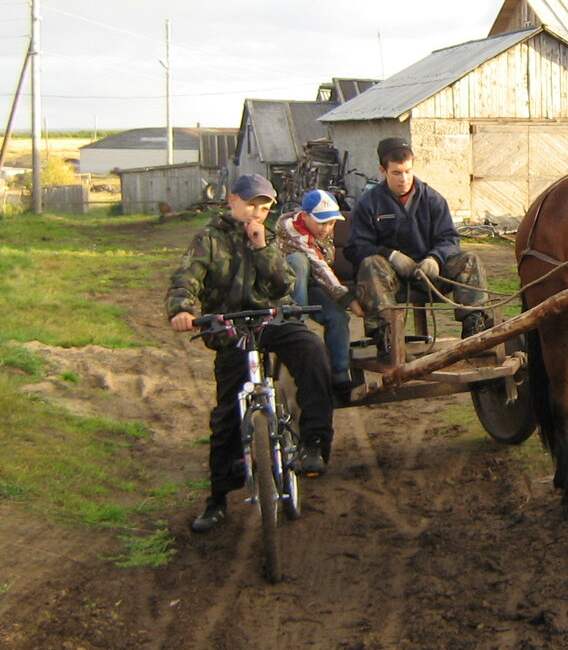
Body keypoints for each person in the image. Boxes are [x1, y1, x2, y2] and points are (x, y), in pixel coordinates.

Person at [166, 173, 334, 534]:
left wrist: (260, 248)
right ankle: (217, 499)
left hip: (269, 320)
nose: (257, 211)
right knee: (226, 416)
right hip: (229, 330)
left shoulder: (267, 236)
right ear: (232, 201)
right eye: (251, 203)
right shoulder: (208, 239)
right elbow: (186, 277)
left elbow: (283, 285)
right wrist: (182, 309)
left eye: (265, 205)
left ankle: (314, 442)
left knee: (312, 349)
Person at [344, 138, 492, 353]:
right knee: (370, 263)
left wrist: (436, 258)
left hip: (430, 276)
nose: (404, 179)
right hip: (389, 282)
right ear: (383, 171)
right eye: (396, 173)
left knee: (470, 259)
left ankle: (474, 331)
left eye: (408, 171)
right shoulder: (369, 204)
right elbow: (355, 247)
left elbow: (449, 238)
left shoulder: (432, 200)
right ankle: (387, 337)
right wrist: (390, 255)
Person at [275, 189, 364, 392]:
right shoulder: (292, 230)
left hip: (313, 285)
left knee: (338, 318)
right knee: (299, 261)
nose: (326, 229)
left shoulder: (321, 232)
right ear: (305, 216)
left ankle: (339, 376)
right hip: (287, 288)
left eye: (331, 223)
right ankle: (298, 324)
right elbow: (319, 266)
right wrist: (348, 299)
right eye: (321, 222)